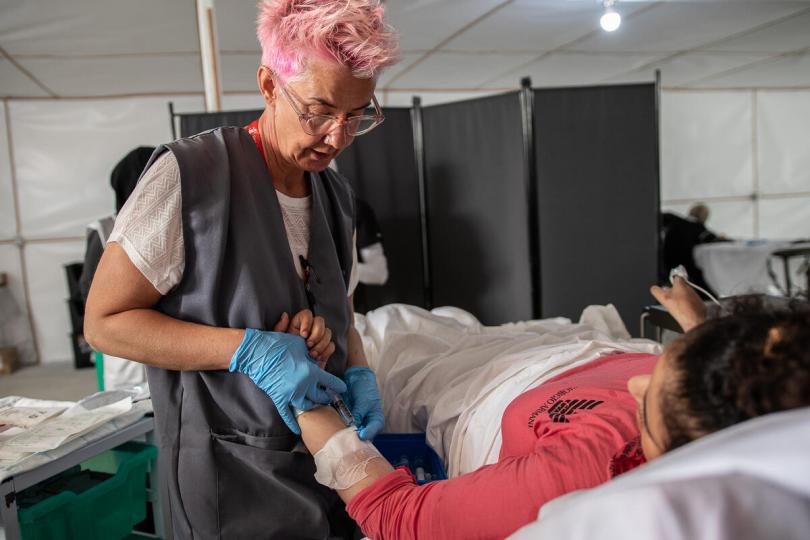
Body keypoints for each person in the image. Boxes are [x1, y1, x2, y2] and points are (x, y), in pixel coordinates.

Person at [84, 1, 399, 537]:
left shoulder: (337, 195)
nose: (337, 137)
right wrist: (246, 350)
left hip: (326, 470)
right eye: (319, 110)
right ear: (270, 85)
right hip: (230, 478)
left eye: (358, 115)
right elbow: (105, 322)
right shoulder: (189, 178)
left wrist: (357, 365)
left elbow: (338, 299)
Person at [288, 280, 810, 539]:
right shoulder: (741, 410)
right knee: (446, 320)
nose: (635, 385)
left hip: (480, 386)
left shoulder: (586, 476)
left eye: (649, 404)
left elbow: (395, 515)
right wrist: (703, 333)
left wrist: (299, 387)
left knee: (395, 328)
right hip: (567, 345)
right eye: (659, 369)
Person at [80, 146, 154, 390]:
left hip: (162, 343)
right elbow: (89, 290)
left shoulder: (168, 222)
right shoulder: (104, 230)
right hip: (124, 348)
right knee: (128, 414)